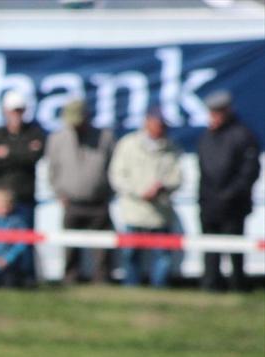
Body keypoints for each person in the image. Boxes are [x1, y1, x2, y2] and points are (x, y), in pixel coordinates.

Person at [108, 108, 182, 288]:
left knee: (162, 255)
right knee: (130, 254)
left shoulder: (172, 148)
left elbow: (178, 178)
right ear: (147, 123)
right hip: (134, 211)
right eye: (158, 124)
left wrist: (162, 187)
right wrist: (140, 192)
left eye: (163, 125)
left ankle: (159, 289)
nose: (161, 128)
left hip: (160, 212)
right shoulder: (128, 144)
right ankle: (131, 288)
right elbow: (117, 176)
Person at [197, 90, 261, 293]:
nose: (213, 117)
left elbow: (249, 172)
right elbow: (203, 172)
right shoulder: (207, 137)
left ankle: (237, 285)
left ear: (226, 112)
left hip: (233, 205)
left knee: (235, 249)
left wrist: (230, 194)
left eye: (217, 113)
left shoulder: (242, 135)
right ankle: (210, 285)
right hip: (209, 204)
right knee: (210, 250)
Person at [45, 98, 115, 284]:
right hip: (71, 202)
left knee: (102, 247)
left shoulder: (105, 137)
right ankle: (70, 278)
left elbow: (113, 168)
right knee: (70, 246)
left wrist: (108, 193)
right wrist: (59, 192)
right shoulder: (57, 139)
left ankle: (102, 280)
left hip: (98, 202)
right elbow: (52, 170)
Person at [0, 90, 45, 283]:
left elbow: (34, 156)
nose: (16, 115)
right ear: (5, 111)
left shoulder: (34, 132)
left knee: (24, 240)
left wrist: (8, 153)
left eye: (19, 110)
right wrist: (22, 152)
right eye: (13, 110)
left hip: (24, 198)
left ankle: (26, 278)